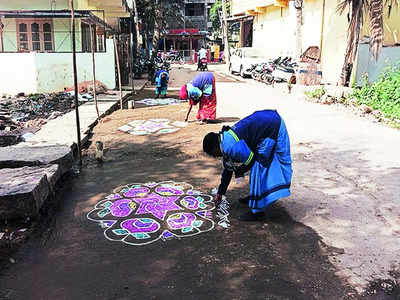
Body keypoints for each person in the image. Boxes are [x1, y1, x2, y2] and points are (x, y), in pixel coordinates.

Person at [202, 110, 293, 221]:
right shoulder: (224, 139)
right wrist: (220, 193)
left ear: (215, 148)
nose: (215, 157)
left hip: (271, 126)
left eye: (213, 154)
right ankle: (255, 196)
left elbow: (251, 160)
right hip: (267, 120)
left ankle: (257, 211)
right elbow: (227, 170)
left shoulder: (230, 146)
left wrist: (240, 170)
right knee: (257, 166)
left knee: (258, 168)